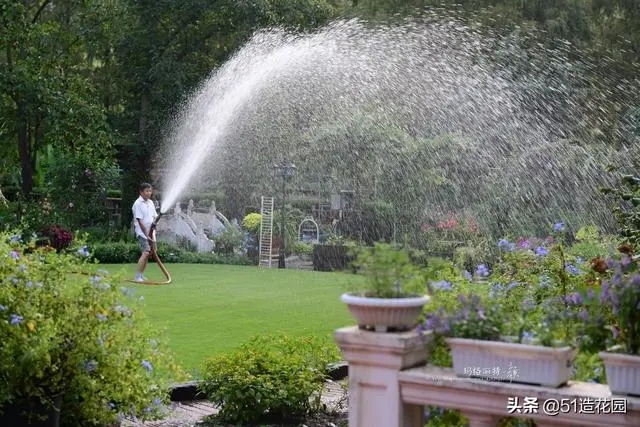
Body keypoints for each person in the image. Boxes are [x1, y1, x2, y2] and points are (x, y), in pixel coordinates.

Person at [132, 182, 158, 282]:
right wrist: (147, 235)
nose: (149, 193)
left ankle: (141, 275)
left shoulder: (150, 203)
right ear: (141, 192)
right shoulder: (137, 204)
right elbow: (140, 221)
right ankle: (137, 276)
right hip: (143, 233)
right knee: (146, 252)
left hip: (152, 233)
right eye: (147, 191)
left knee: (149, 253)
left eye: (150, 191)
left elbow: (154, 217)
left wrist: (154, 230)